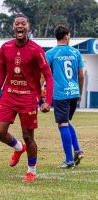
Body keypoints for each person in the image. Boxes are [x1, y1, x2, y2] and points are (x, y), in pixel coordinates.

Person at [0, 14, 53, 182]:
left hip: (28, 98)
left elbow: (48, 76)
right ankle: (18, 148)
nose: (20, 26)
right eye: (17, 23)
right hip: (9, 96)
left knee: (28, 136)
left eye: (23, 23)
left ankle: (31, 171)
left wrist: (47, 101)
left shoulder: (36, 50)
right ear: (13, 27)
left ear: (28, 27)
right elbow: (1, 72)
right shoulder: (5, 47)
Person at [46, 25, 84, 169]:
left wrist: (39, 93)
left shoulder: (50, 53)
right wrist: (79, 92)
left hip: (61, 94)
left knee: (62, 124)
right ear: (67, 36)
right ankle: (77, 150)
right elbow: (80, 75)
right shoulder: (76, 53)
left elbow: (44, 75)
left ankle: (69, 161)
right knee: (66, 122)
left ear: (56, 36)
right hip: (74, 92)